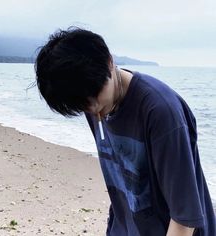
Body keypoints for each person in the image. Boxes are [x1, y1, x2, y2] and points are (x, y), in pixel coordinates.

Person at [34, 27, 216, 236]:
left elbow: (184, 220)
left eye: (95, 95)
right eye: (83, 106)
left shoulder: (161, 112)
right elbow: (122, 186)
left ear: (110, 62)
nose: (93, 110)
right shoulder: (91, 100)